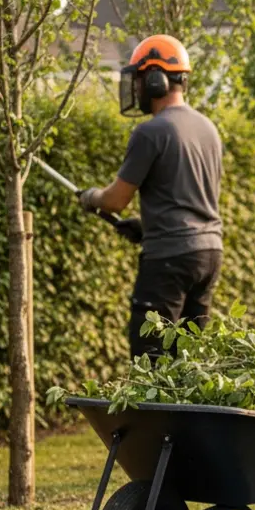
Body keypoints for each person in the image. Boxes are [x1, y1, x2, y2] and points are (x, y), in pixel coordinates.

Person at [77, 34, 223, 358]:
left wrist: (91, 197)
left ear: (156, 79)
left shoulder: (151, 132)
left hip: (170, 259)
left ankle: (152, 410)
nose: (138, 88)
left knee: (151, 357)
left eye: (141, 79)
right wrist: (148, 227)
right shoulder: (208, 129)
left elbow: (115, 200)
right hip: (209, 254)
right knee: (186, 359)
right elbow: (190, 200)